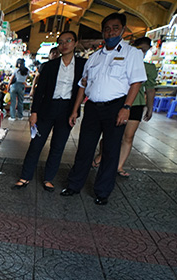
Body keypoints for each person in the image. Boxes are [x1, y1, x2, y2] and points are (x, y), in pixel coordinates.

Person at [61, 13, 146, 205]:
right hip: (92, 107)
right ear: (103, 31)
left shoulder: (132, 54)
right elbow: (83, 85)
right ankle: (74, 185)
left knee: (110, 150)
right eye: (107, 29)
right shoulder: (94, 57)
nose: (111, 32)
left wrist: (126, 107)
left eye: (115, 28)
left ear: (123, 30)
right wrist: (75, 110)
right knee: (84, 148)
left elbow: (136, 82)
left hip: (116, 107)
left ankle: (102, 192)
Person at [12, 31, 86, 192]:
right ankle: (25, 176)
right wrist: (34, 112)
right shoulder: (50, 65)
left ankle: (49, 178)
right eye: (60, 42)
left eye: (68, 41)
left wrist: (76, 110)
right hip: (47, 108)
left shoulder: (82, 65)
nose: (64, 45)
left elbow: (84, 87)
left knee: (58, 146)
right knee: (36, 143)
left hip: (68, 109)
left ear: (75, 42)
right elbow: (40, 91)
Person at [92, 37, 157, 178]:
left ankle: (119, 165)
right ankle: (102, 155)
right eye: (140, 50)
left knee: (128, 137)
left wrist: (150, 107)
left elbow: (150, 89)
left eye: (145, 51)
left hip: (137, 104)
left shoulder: (149, 68)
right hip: (118, 102)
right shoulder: (122, 61)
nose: (142, 53)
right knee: (111, 135)